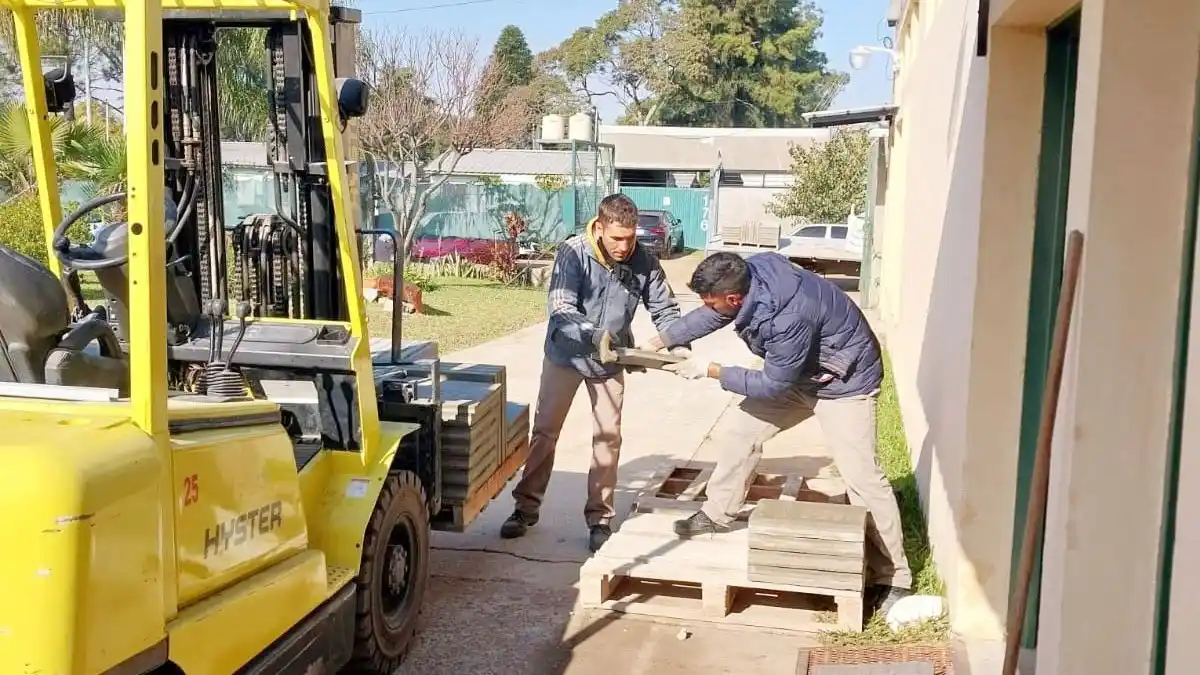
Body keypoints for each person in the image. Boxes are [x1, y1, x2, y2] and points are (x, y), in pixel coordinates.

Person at [642, 251, 912, 616]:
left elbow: (771, 385)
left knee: (862, 477)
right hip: (799, 372)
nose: (711, 307)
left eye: (715, 300)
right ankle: (718, 513)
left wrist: (711, 370)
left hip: (843, 382)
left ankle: (894, 576)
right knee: (740, 432)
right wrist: (659, 342)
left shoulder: (790, 316)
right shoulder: (750, 272)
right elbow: (713, 312)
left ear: (735, 297)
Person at [501, 193, 687, 553]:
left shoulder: (643, 260)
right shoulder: (573, 253)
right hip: (565, 356)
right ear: (599, 227)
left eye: (630, 238)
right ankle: (525, 509)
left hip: (609, 361)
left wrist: (678, 345)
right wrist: (593, 334)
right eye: (617, 238)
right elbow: (561, 306)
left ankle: (599, 518)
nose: (624, 246)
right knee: (545, 433)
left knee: (608, 437)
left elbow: (664, 306)